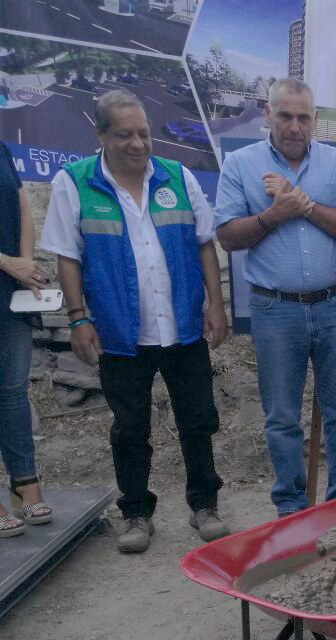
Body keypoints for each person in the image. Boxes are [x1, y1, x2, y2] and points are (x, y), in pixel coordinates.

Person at [40, 89, 230, 553]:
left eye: (144, 133)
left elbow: (205, 244)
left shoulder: (178, 177)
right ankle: (136, 514)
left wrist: (216, 304)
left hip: (183, 327)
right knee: (129, 429)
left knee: (198, 420)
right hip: (120, 333)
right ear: (101, 135)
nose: (138, 144)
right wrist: (78, 319)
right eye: (125, 135)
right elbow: (68, 256)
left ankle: (204, 505)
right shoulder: (75, 183)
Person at [215, 78, 336, 517]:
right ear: (268, 114)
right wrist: (272, 215)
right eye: (285, 116)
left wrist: (303, 204)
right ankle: (292, 512)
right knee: (281, 418)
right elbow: (227, 237)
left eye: (303, 117)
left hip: (335, 306)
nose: (294, 126)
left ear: (314, 119)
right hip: (274, 309)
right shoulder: (240, 165)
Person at [0, 139, 52, 539]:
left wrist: (26, 264)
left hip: (9, 289)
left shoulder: (1, 148)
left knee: (13, 391)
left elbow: (21, 208)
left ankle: (24, 482)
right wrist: (7, 262)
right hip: (7, 271)